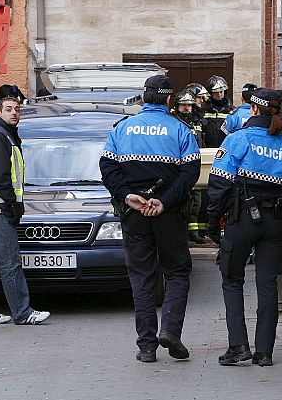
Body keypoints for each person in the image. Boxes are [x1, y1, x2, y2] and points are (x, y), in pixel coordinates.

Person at [100, 75, 201, 363]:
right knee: (177, 272)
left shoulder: (122, 129)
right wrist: (165, 201)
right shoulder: (180, 130)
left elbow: (107, 167)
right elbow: (190, 174)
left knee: (141, 277)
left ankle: (146, 346)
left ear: (144, 98)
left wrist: (127, 196)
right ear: (169, 100)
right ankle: (170, 330)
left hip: (134, 213)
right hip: (167, 214)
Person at [206, 87, 282, 367]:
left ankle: (238, 345)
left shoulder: (238, 139)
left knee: (231, 280)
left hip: (241, 222)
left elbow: (218, 186)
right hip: (274, 224)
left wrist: (213, 226)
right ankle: (264, 352)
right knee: (267, 285)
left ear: (253, 110)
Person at [0, 96, 50, 326]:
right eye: (9, 109)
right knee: (10, 262)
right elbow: (1, 177)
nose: (14, 113)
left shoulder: (2, 135)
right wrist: (13, 205)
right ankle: (22, 312)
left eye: (17, 109)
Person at [171, 91, 206, 245]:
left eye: (189, 105)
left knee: (196, 202)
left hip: (195, 164)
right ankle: (182, 233)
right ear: (177, 106)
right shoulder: (173, 122)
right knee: (181, 201)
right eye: (183, 105)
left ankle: (194, 233)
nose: (186, 108)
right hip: (179, 167)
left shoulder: (197, 121)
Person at [201, 75, 235, 148]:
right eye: (216, 92)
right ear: (210, 93)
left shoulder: (231, 110)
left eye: (221, 92)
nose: (219, 94)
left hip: (226, 147)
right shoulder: (203, 109)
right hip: (207, 148)